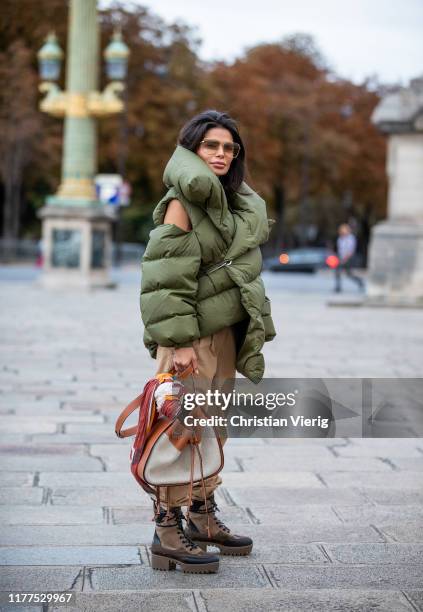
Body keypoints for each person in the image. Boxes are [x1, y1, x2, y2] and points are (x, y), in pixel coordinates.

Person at [140, 109, 276, 572]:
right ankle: (165, 528)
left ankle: (201, 515)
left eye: (228, 148)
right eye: (211, 146)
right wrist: (177, 343)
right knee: (180, 430)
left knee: (213, 428)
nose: (220, 154)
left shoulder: (234, 202)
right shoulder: (184, 201)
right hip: (189, 337)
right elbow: (164, 279)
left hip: (222, 335)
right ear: (194, 149)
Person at [334, 223, 365, 293]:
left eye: (343, 229)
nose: (342, 231)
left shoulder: (351, 238)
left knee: (349, 274)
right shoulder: (340, 238)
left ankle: (360, 282)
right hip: (341, 257)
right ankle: (338, 287)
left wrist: (345, 259)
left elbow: (351, 250)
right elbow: (340, 249)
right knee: (337, 272)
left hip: (348, 258)